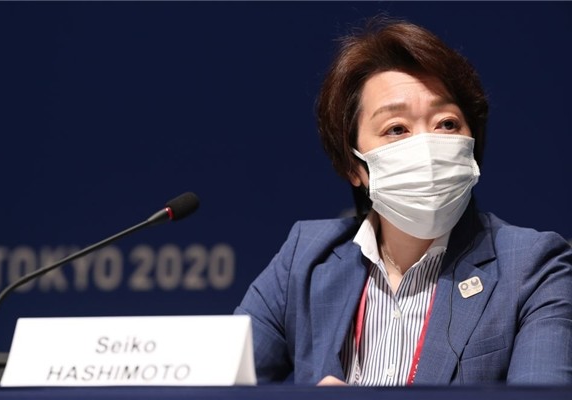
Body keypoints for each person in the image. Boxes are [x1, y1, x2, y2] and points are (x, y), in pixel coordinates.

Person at [234, 16, 572, 385]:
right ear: (353, 165)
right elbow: (217, 384)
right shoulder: (305, 258)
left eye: (447, 124)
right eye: (396, 129)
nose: (426, 145)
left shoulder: (532, 268)